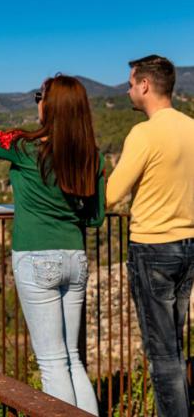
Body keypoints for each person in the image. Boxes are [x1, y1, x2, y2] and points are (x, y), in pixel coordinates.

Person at [0, 75, 104, 415]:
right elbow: (96, 217)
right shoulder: (93, 157)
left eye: (39, 97)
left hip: (37, 259)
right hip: (76, 259)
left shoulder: (27, 147)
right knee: (72, 359)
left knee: (52, 363)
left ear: (50, 106)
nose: (37, 102)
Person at [106, 55, 194, 417]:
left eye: (130, 83)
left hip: (153, 247)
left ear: (144, 85)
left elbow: (111, 195)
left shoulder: (143, 133)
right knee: (175, 344)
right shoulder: (191, 127)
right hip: (188, 246)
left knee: (162, 355)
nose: (127, 89)